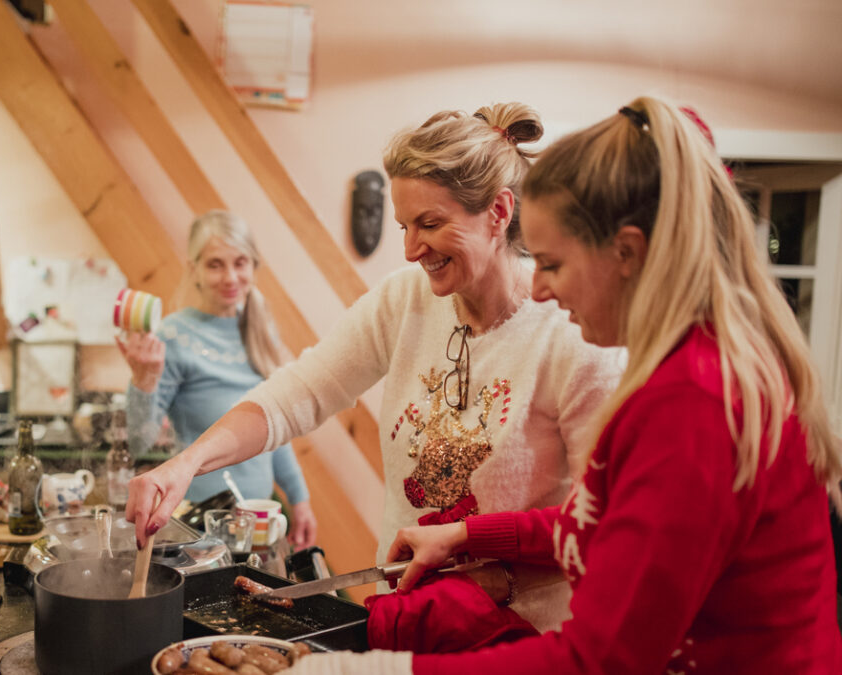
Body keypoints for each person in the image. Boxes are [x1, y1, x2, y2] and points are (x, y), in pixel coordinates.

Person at [289, 96, 842, 674]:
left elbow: (598, 661)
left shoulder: (692, 402)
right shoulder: (693, 367)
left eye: (552, 264)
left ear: (626, 253)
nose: (544, 292)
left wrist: (367, 671)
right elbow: (607, 523)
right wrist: (470, 534)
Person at [127, 104, 623, 632]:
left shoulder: (573, 335)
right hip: (412, 622)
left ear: (499, 212)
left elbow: (606, 524)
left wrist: (501, 575)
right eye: (405, 226)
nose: (410, 250)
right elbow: (298, 393)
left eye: (430, 224)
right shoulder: (404, 301)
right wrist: (186, 463)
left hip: (523, 639)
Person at [117, 210, 318, 547]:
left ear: (254, 266)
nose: (230, 277)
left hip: (260, 521)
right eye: (215, 264)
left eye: (240, 263)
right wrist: (143, 381)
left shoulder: (261, 330)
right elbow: (139, 441)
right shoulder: (172, 336)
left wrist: (300, 500)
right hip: (200, 527)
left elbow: (274, 429)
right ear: (193, 269)